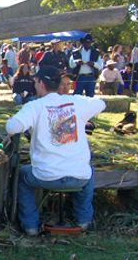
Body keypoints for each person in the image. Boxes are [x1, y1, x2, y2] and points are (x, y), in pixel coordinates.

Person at [6, 66, 105, 235]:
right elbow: (101, 103)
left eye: (35, 82)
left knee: (22, 175)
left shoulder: (35, 106)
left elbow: (12, 127)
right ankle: (84, 220)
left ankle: (30, 226)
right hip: (78, 176)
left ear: (41, 83)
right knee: (88, 173)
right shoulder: (76, 102)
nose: (34, 85)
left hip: (46, 176)